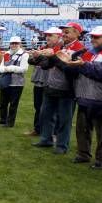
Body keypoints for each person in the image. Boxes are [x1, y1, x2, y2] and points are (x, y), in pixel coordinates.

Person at [63, 26, 102, 170]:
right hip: (84, 95)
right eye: (92, 37)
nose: (92, 40)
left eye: (96, 37)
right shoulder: (88, 52)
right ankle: (83, 153)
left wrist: (83, 65)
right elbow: (76, 68)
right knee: (82, 128)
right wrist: (68, 61)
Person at [33, 22, 85, 154]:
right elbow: (46, 65)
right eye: (64, 32)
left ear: (77, 33)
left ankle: (62, 145)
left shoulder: (80, 49)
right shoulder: (60, 46)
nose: (64, 34)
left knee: (64, 119)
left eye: (67, 32)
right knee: (46, 115)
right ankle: (46, 139)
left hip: (67, 89)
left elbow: (71, 70)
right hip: (51, 85)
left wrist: (53, 57)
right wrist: (40, 57)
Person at [26, 28, 62, 136]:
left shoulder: (59, 50)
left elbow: (44, 63)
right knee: (38, 107)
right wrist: (39, 57)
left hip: (51, 83)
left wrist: (39, 56)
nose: (48, 37)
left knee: (52, 110)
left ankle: (53, 133)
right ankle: (38, 129)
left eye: (51, 35)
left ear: (58, 37)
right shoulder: (43, 48)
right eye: (47, 35)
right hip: (39, 81)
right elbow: (30, 60)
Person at [0, 36, 29, 127]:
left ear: (20, 44)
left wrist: (8, 68)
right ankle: (3, 119)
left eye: (16, 43)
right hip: (6, 81)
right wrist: (6, 69)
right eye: (12, 43)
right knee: (3, 102)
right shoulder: (6, 54)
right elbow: (1, 66)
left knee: (13, 104)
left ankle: (10, 122)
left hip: (17, 83)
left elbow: (24, 69)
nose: (14, 45)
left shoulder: (24, 54)